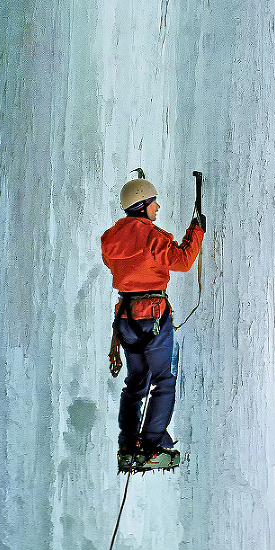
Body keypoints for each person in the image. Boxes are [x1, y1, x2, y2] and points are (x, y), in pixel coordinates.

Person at [101, 175, 205, 459]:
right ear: (143, 204)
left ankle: (128, 443)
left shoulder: (110, 239)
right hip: (153, 316)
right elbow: (182, 260)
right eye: (154, 202)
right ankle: (153, 443)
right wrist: (196, 231)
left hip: (125, 319)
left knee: (136, 382)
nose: (157, 207)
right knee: (163, 380)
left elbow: (115, 264)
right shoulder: (151, 236)